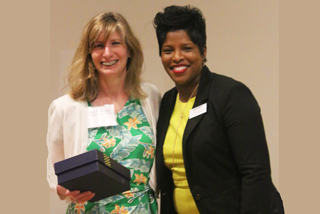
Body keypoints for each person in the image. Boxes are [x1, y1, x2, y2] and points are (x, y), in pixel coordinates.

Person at [153, 5, 284, 214]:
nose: (177, 57)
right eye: (168, 50)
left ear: (203, 51)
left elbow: (255, 173)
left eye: (186, 48)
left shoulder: (231, 95)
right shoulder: (167, 101)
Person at [47, 12, 160, 213]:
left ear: (129, 50)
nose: (107, 53)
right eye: (98, 46)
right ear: (89, 54)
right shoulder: (66, 107)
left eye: (115, 43)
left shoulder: (150, 97)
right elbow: (55, 174)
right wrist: (65, 190)